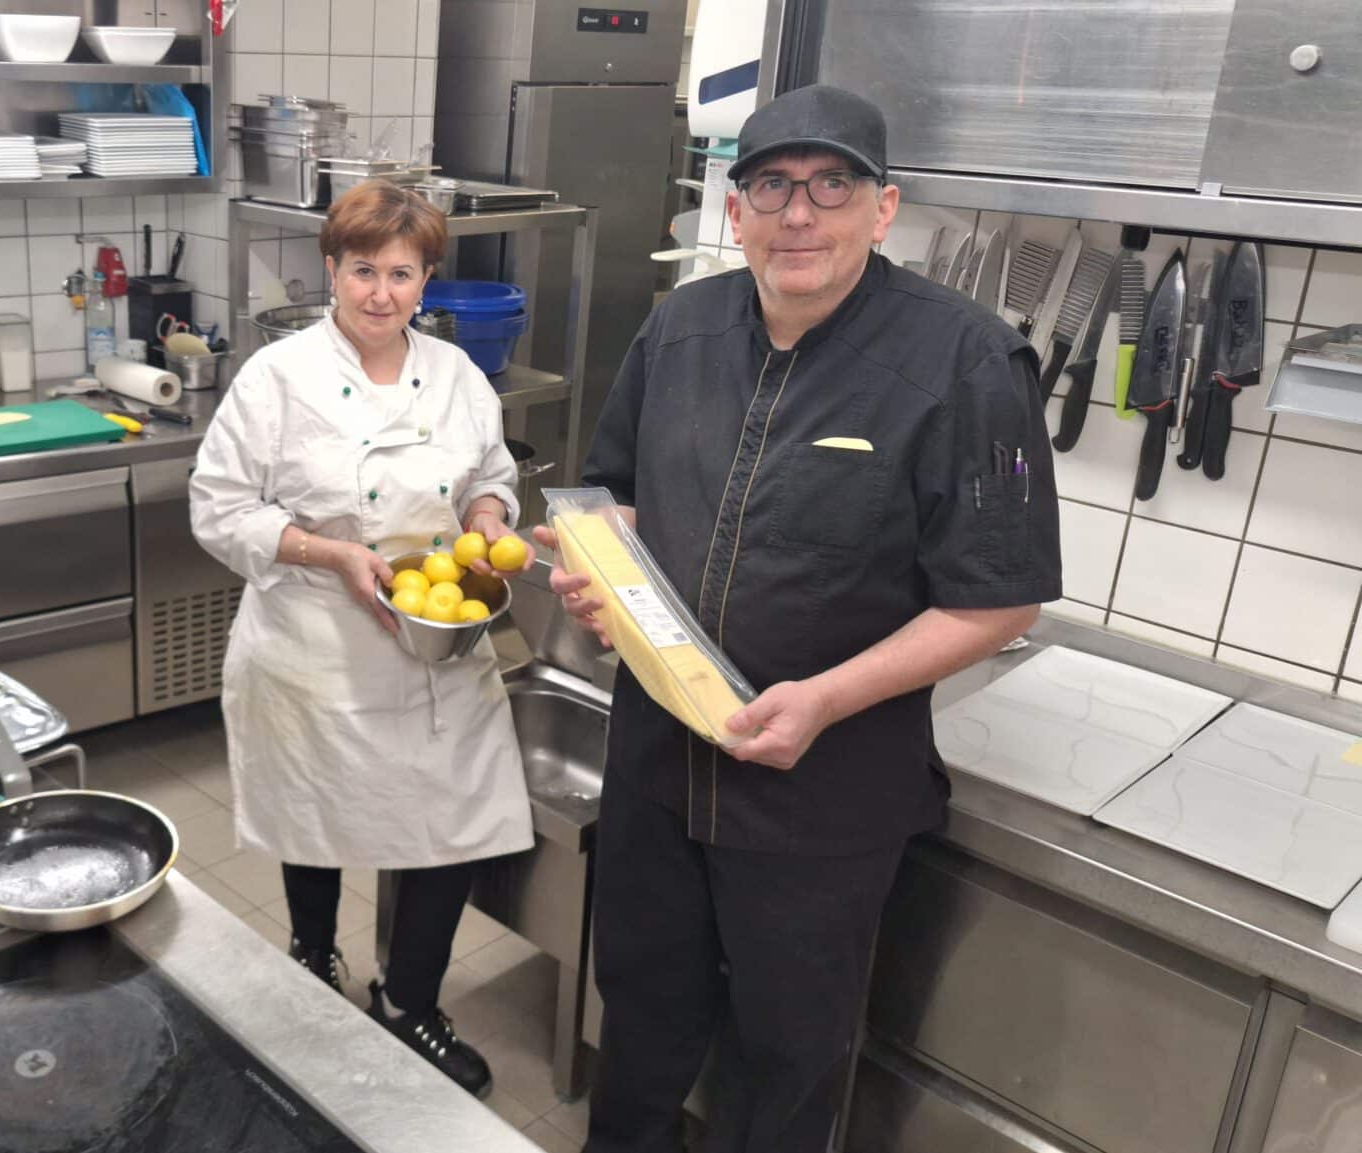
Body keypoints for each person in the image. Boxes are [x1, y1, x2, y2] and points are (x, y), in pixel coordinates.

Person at [537, 86, 1062, 1152]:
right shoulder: (679, 327)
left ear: (882, 208)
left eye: (832, 187)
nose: (798, 215)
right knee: (638, 1012)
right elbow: (610, 494)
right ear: (733, 212)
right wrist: (596, 571)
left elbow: (1000, 595)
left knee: (788, 1054)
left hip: (819, 796)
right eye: (770, 186)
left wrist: (821, 699)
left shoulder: (963, 363)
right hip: (655, 766)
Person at [189, 180, 534, 1099]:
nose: (382, 293)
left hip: (438, 633)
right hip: (315, 638)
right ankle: (311, 959)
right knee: (316, 811)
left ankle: (409, 1000)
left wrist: (490, 516)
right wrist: (329, 552)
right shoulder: (278, 377)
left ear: (427, 279)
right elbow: (218, 508)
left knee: (454, 822)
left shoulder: (457, 376)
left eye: (403, 273)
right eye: (363, 271)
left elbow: (488, 475)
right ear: (330, 271)